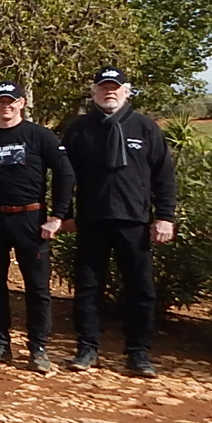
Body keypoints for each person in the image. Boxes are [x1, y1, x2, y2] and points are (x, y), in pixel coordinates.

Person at [61, 67, 176, 378]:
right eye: (103, 87)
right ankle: (87, 348)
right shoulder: (79, 129)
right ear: (93, 91)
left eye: (115, 87)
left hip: (134, 221)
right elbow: (64, 175)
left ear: (127, 91)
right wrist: (64, 213)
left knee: (141, 288)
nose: (108, 92)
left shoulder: (146, 128)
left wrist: (165, 216)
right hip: (92, 221)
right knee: (87, 287)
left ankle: (138, 353)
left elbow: (163, 176)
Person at [0, 82, 75, 373]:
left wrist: (58, 216)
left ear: (21, 103)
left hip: (32, 220)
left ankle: (38, 348)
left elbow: (65, 174)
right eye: (0, 101)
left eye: (11, 101)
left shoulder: (40, 136)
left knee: (37, 288)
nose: (6, 106)